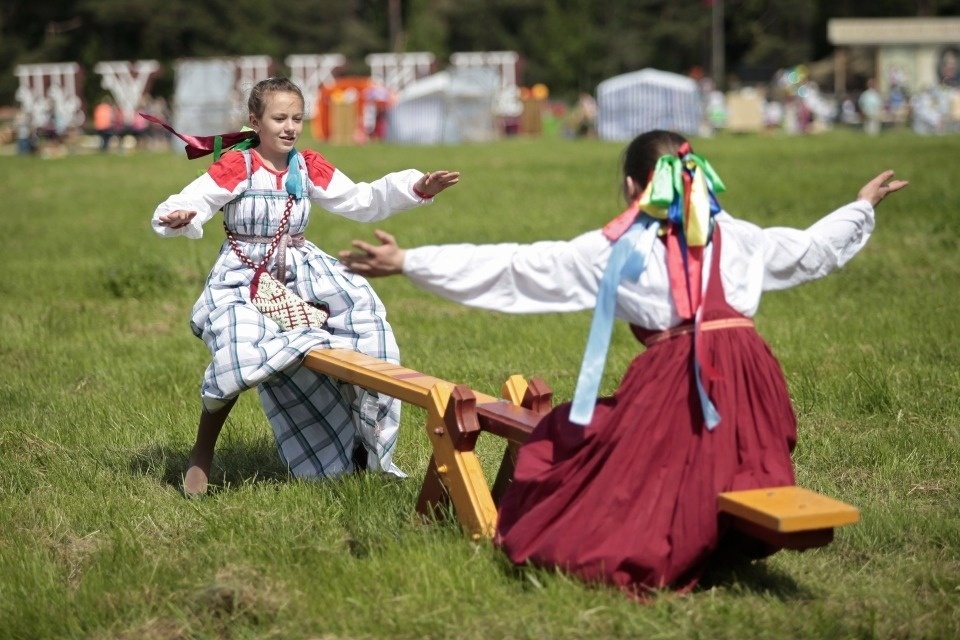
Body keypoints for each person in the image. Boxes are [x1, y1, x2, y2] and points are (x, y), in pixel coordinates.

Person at [338, 129, 907, 598]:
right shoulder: (740, 236)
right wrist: (861, 207)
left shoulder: (622, 245)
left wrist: (411, 261)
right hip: (753, 385)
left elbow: (521, 267)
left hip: (678, 383)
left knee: (570, 449)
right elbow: (812, 250)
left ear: (634, 186)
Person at [151, 77, 459, 495]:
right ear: (255, 121)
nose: (290, 127)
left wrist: (416, 188)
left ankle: (363, 449)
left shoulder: (307, 165)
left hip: (301, 275)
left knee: (367, 332)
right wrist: (180, 214)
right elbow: (197, 198)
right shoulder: (238, 165)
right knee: (239, 350)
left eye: (297, 118)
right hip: (244, 277)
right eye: (279, 118)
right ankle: (201, 455)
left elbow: (362, 200)